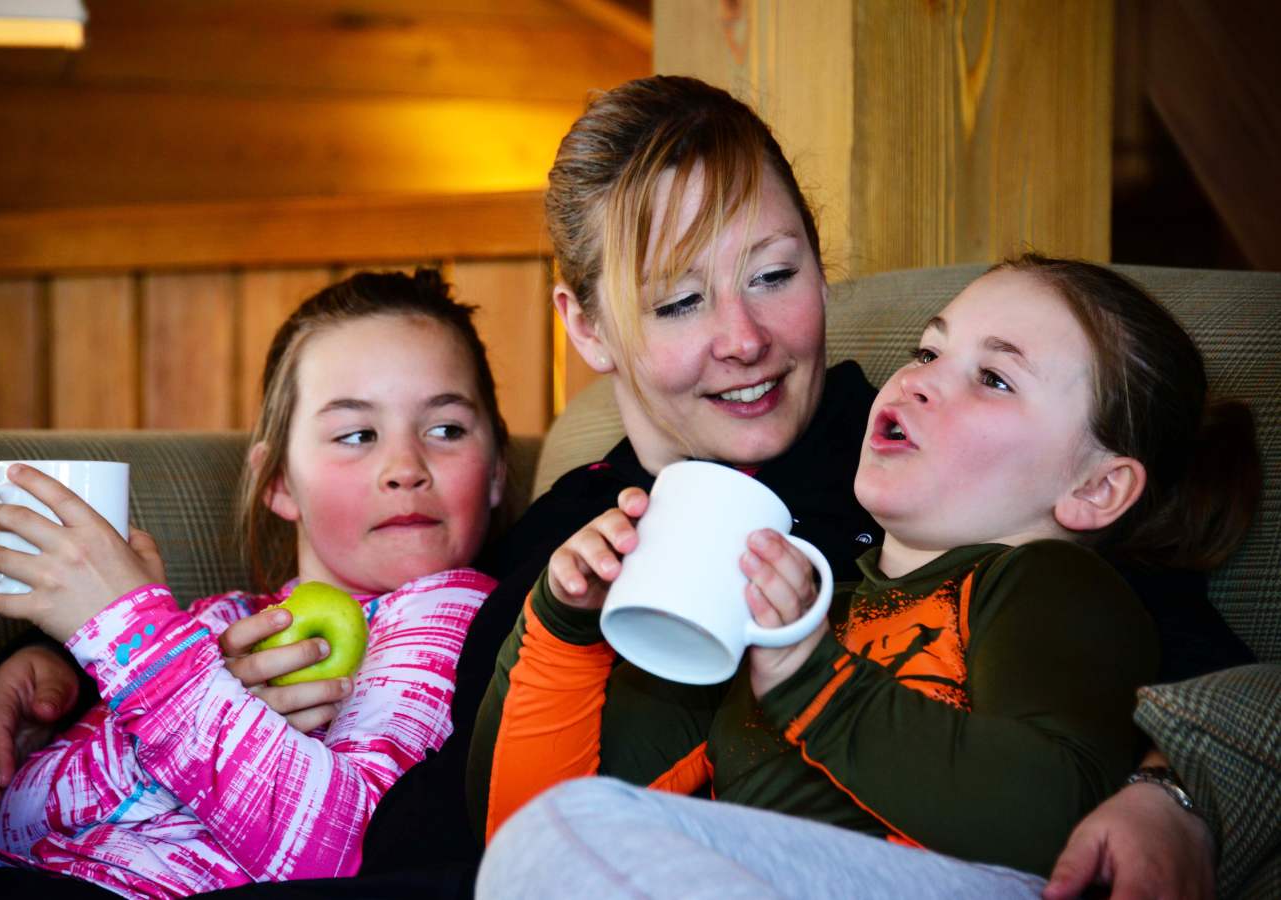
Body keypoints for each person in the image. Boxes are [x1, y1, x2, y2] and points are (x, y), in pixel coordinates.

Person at [0, 76, 1256, 899]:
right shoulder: (553, 527)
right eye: (680, 299)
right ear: (586, 326)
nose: (744, 337)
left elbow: (1162, 642)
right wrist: (86, 679)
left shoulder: (915, 469)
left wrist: (1179, 793)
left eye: (775, 270)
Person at [470, 255, 1261, 897]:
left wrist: (813, 680)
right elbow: (526, 829)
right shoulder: (813, 608)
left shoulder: (1050, 586)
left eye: (993, 378)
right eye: (928, 350)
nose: (916, 379)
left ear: (1095, 489)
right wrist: (566, 630)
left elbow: (1057, 819)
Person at [0, 270, 509, 898]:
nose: (406, 468)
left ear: (496, 471)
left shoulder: (459, 615)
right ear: (277, 481)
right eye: (357, 435)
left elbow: (344, 851)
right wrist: (165, 683)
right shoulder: (213, 622)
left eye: (447, 430)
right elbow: (9, 821)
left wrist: (135, 641)